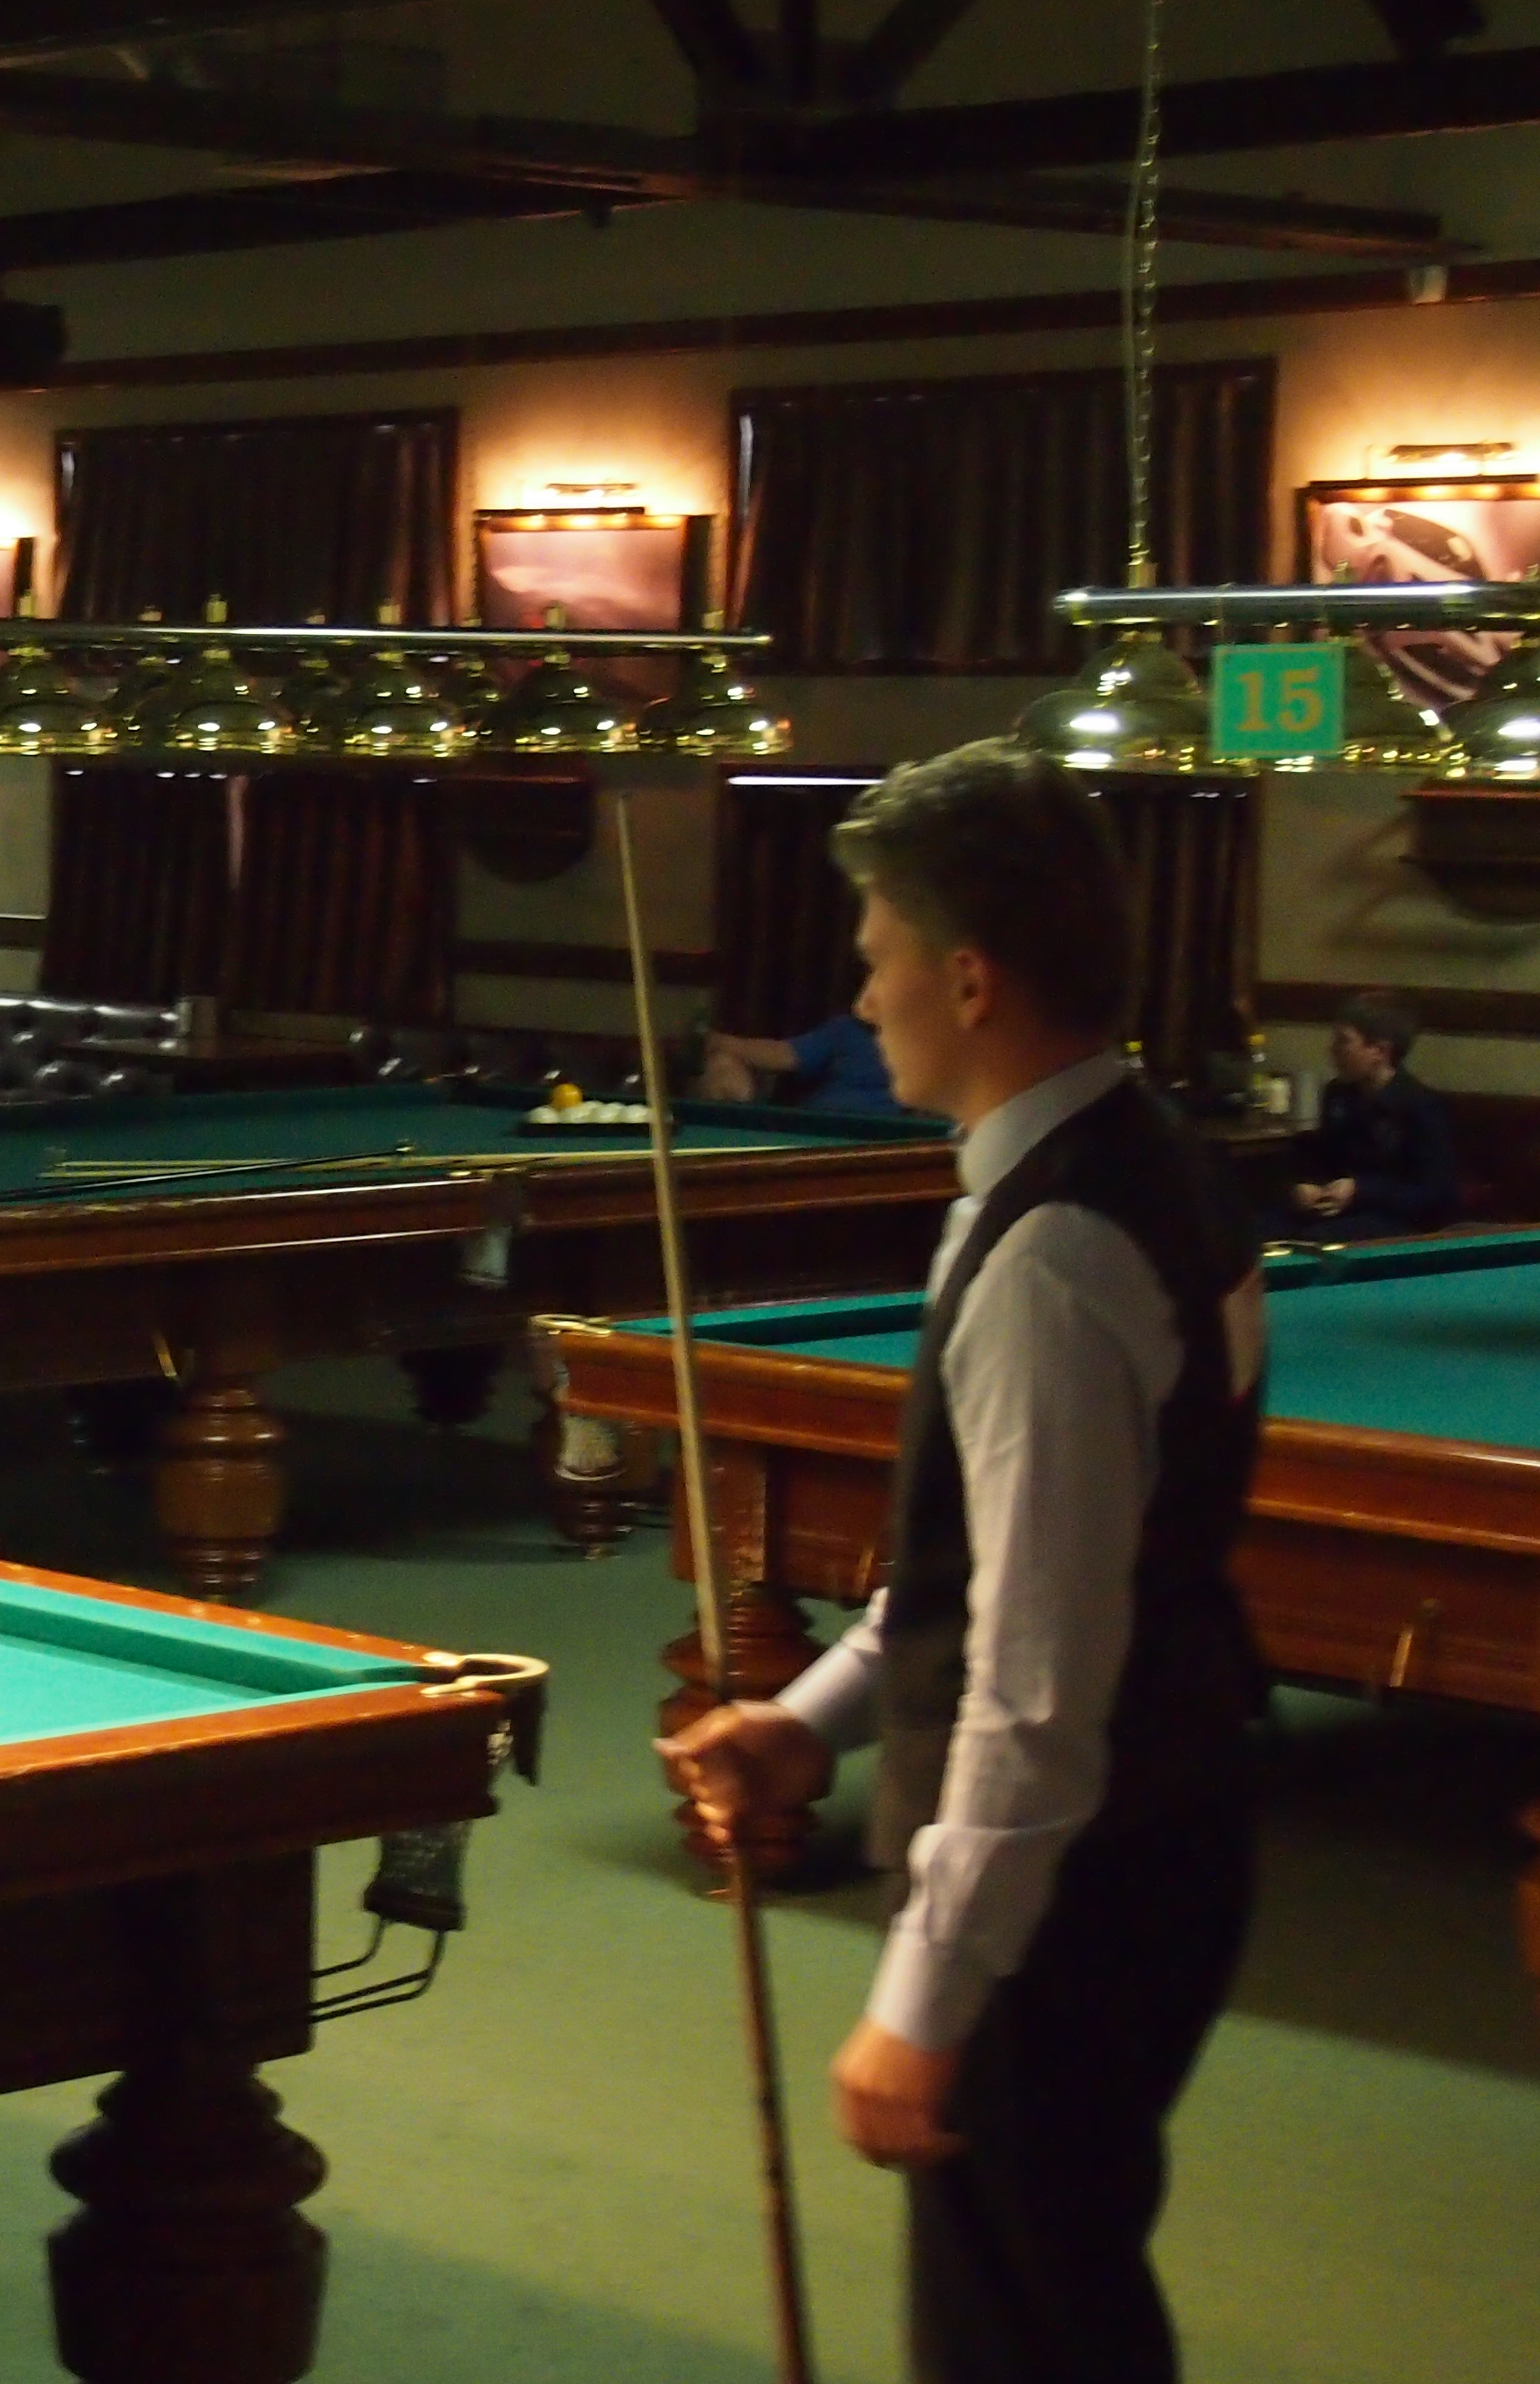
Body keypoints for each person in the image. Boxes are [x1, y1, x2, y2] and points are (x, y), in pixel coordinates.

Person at [658, 740, 1267, 2384]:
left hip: (1069, 1900)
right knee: (1058, 2309)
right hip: (1156, 1843)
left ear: (972, 978)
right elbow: (999, 1580)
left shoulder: (1055, 1254)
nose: (862, 998)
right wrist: (814, 1718)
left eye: (877, 958)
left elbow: (1034, 1686)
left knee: (1023, 2339)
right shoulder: (1139, 1159)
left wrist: (925, 1999)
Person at [1289, 992, 1457, 1238]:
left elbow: (1433, 1191)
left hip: (1395, 1219)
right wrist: (1306, 1186)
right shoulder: (1338, 1094)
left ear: (1379, 1051)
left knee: (1317, 1237)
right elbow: (1324, 1157)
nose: (1332, 1050)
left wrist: (1360, 1190)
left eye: (1344, 1041)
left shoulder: (1421, 1106)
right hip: (1340, 1210)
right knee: (1259, 1229)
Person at [702, 1008, 903, 1115]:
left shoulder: (919, 1048)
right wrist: (719, 1043)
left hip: (883, 1143)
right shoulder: (848, 1030)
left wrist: (717, 1041)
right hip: (809, 1129)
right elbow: (782, 1056)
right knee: (723, 1062)